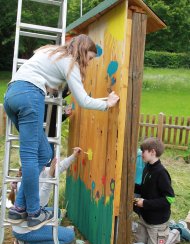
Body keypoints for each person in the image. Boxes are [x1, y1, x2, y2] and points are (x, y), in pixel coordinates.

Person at [4, 34, 120, 230]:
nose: (89, 63)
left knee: (44, 153)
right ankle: (34, 212)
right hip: (30, 96)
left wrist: (103, 100)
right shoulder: (70, 62)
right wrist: (107, 104)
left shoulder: (52, 52)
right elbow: (83, 100)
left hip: (12, 95)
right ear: (83, 52)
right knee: (31, 157)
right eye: (90, 58)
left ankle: (19, 208)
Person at [12, 147, 81, 244]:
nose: (45, 164)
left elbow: (59, 167)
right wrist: (50, 177)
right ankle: (26, 243)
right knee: (69, 236)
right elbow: (40, 203)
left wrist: (74, 156)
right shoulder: (23, 184)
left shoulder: (38, 171)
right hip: (26, 229)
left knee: (56, 212)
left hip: (33, 220)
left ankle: (45, 233)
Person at [134, 137, 178, 244]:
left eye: (143, 151)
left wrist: (145, 203)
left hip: (157, 221)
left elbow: (170, 199)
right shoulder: (147, 167)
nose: (141, 153)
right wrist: (130, 187)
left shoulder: (161, 173)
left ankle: (174, 234)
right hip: (145, 218)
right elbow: (145, 187)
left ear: (152, 152)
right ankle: (158, 235)